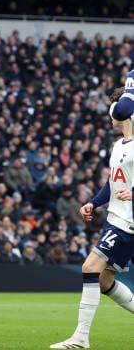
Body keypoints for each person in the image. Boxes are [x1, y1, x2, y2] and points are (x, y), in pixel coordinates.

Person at [51, 87, 134, 349]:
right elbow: (112, 184)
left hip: (127, 222)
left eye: (114, 107)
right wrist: (93, 203)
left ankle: (81, 338)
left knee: (89, 268)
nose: (110, 114)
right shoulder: (118, 144)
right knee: (104, 280)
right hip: (115, 218)